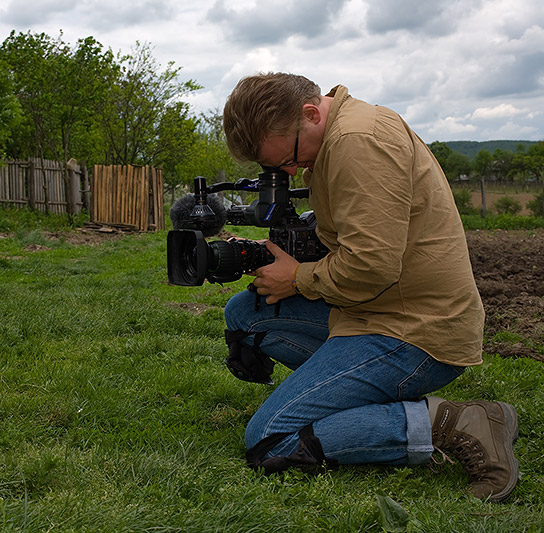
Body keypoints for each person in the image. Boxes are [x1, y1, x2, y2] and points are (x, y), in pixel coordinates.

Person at [221, 72, 518, 502]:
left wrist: (298, 278)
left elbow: (371, 267)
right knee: (245, 314)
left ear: (311, 113)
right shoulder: (334, 137)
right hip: (370, 310)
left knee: (269, 439)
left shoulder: (359, 141)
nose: (290, 171)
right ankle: (349, 396)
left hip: (415, 330)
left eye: (289, 158)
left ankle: (456, 423)